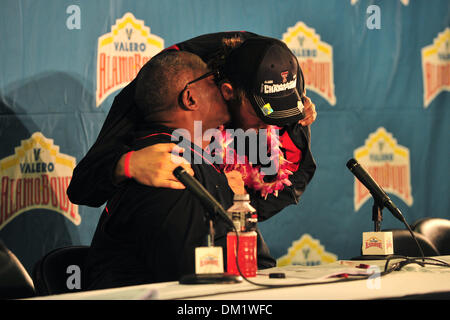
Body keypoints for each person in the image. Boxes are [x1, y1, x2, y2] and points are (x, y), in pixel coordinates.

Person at [67, 32, 317, 216]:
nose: (268, 125)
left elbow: (289, 184)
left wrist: (235, 202)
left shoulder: (282, 78)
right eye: (262, 115)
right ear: (226, 91)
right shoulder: (170, 82)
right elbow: (82, 187)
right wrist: (126, 165)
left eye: (279, 116)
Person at [85, 50, 267, 289]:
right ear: (190, 98)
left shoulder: (197, 158)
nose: (223, 86)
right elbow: (194, 278)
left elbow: (257, 263)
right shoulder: (165, 163)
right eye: (212, 80)